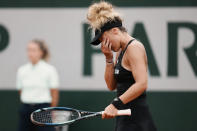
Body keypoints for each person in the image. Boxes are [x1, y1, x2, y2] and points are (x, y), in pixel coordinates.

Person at [87, 1, 157, 131]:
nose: (104, 44)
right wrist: (108, 59)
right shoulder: (119, 50)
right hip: (124, 119)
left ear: (115, 31)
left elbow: (142, 84)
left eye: (103, 39)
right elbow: (111, 86)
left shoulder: (134, 47)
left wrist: (115, 104)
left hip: (137, 120)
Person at [16, 39, 59, 131]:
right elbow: (21, 90)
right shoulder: (21, 70)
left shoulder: (50, 70)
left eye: (34, 50)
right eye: (29, 50)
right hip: (26, 109)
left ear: (41, 52)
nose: (30, 53)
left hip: (43, 109)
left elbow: (54, 92)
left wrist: (51, 110)